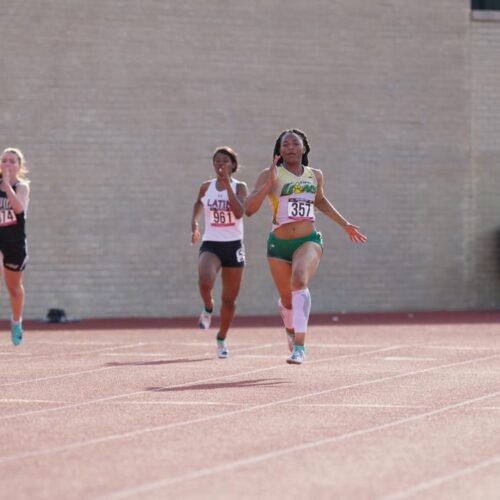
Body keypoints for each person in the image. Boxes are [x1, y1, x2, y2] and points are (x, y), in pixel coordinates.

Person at [245, 129, 367, 365]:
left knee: (299, 281)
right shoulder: (269, 174)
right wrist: (268, 184)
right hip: (278, 244)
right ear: (279, 151)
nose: (290, 147)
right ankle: (290, 327)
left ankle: (299, 346)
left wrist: (345, 224)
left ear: (304, 148)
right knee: (288, 300)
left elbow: (320, 200)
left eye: (295, 143)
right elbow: (249, 209)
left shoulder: (315, 175)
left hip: (308, 240)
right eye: (285, 144)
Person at [191, 147, 248, 358]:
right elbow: (198, 204)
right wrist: (194, 223)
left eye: (225, 161)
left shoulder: (239, 187)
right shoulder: (206, 187)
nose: (220, 165)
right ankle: (207, 307)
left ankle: (221, 339)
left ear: (232, 165)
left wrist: (227, 189)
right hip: (212, 243)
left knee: (229, 300)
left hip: (233, 245)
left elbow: (239, 213)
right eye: (217, 161)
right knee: (205, 280)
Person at [0, 148, 30, 346]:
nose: (8, 164)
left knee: (13, 288)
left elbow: (19, 209)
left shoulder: (22, 187)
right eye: (4, 160)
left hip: (14, 243)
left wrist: (6, 187)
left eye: (12, 161)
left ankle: (16, 321)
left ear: (19, 166)